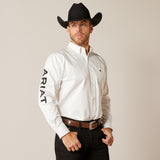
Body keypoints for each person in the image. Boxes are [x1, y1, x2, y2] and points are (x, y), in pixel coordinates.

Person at [38, 2, 114, 160]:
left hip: (98, 136)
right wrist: (64, 134)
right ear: (68, 29)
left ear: (91, 27)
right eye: (73, 25)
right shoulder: (58, 59)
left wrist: (107, 127)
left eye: (83, 24)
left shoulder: (99, 61)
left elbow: (104, 97)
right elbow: (44, 98)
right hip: (71, 134)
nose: (78, 29)